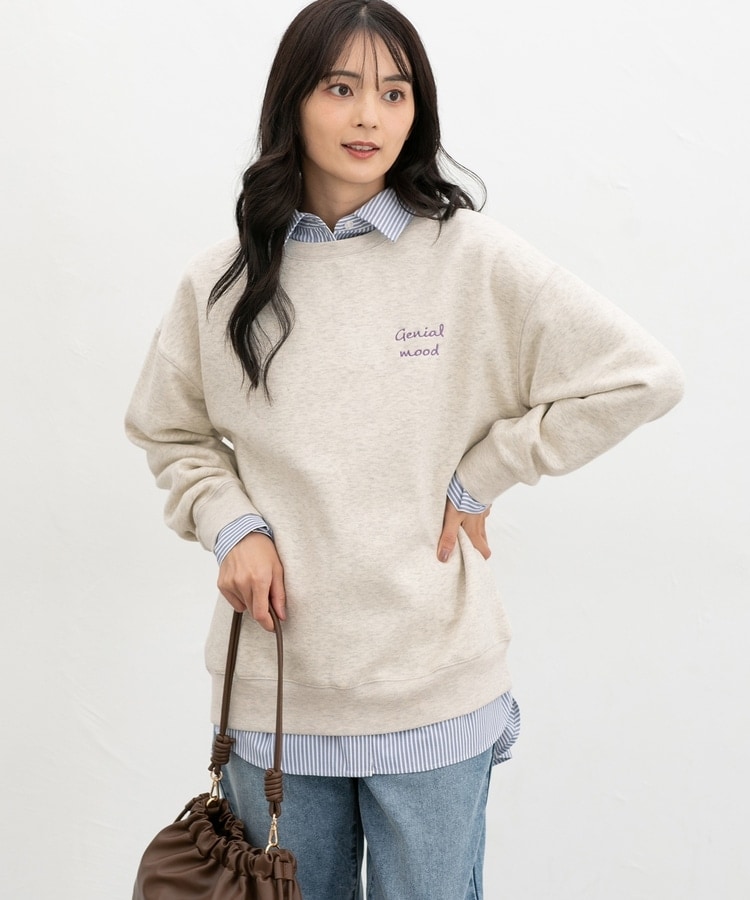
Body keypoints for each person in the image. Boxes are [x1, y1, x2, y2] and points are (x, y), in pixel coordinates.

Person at [125, 1, 684, 897]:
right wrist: (233, 526)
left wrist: (483, 472)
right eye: (340, 88)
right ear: (292, 101)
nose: (369, 117)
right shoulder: (222, 279)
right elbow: (170, 428)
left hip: (434, 686)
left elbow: (641, 376)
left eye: (394, 93)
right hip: (278, 692)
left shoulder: (470, 258)